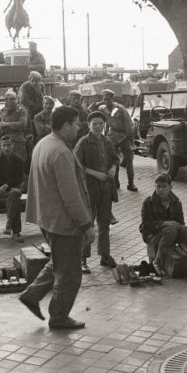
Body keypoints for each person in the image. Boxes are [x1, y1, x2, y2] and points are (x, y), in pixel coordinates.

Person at [19, 106, 95, 330]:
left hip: (47, 218)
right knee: (70, 275)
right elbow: (71, 196)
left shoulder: (44, 143)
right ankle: (59, 317)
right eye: (76, 123)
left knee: (60, 262)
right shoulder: (61, 151)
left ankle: (32, 295)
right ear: (66, 126)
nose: (79, 127)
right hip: (63, 223)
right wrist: (86, 224)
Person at [74, 111, 119, 272]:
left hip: (106, 189)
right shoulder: (83, 143)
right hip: (89, 190)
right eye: (95, 124)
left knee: (104, 224)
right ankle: (82, 259)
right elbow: (77, 165)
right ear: (89, 125)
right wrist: (95, 173)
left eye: (101, 123)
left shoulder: (107, 141)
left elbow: (115, 158)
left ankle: (105, 256)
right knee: (88, 225)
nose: (98, 126)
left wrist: (113, 168)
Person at [140, 174, 187, 276]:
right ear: (155, 187)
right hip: (152, 234)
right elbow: (146, 225)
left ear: (170, 187)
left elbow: (181, 223)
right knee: (170, 229)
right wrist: (165, 224)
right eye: (158, 186)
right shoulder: (148, 203)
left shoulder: (176, 202)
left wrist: (174, 226)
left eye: (164, 186)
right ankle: (157, 260)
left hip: (170, 233)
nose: (160, 189)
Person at [91, 89, 137, 192]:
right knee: (113, 160)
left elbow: (128, 124)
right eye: (104, 99)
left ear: (112, 98)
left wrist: (131, 139)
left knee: (129, 160)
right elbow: (91, 110)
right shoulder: (103, 108)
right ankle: (115, 182)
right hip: (112, 135)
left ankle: (131, 183)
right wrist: (99, 103)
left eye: (108, 99)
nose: (106, 101)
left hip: (124, 135)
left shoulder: (120, 109)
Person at [0, 135, 25, 243]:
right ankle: (16, 233)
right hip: (0, 192)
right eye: (4, 145)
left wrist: (7, 186)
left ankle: (9, 223)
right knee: (15, 197)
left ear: (13, 145)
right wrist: (5, 187)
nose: (6, 148)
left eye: (8, 145)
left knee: (14, 197)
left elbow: (19, 178)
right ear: (0, 146)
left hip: (13, 191)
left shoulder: (19, 161)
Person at [0, 90, 30, 168]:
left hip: (17, 140)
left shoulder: (22, 111)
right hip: (4, 141)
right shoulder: (1, 112)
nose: (14, 101)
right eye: (11, 99)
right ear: (6, 100)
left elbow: (22, 124)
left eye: (15, 99)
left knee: (19, 164)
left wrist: (6, 124)